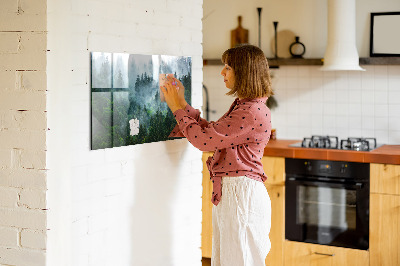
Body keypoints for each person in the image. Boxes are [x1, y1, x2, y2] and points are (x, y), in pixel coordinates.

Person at [161, 44, 273, 266]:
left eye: (228, 67)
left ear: (244, 72)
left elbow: (204, 141)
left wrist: (176, 108)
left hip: (241, 196)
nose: (222, 72)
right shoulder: (246, 106)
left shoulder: (250, 111)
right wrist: (182, 103)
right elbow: (212, 133)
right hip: (236, 193)